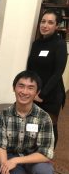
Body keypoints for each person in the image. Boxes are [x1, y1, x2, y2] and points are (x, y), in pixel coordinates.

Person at [0, 70, 55, 174]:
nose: (24, 91)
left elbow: (46, 153)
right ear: (14, 88)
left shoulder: (44, 117)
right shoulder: (3, 115)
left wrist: (16, 161)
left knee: (46, 173)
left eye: (30, 88)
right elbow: (1, 147)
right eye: (20, 86)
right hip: (10, 156)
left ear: (37, 92)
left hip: (33, 157)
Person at [27, 9, 68, 148]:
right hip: (34, 93)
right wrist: (30, 90)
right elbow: (30, 70)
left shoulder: (60, 44)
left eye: (50, 22)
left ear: (57, 26)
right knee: (33, 125)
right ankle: (32, 152)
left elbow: (58, 72)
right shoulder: (36, 44)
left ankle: (47, 156)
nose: (45, 25)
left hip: (51, 94)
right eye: (43, 21)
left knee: (49, 127)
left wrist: (42, 94)